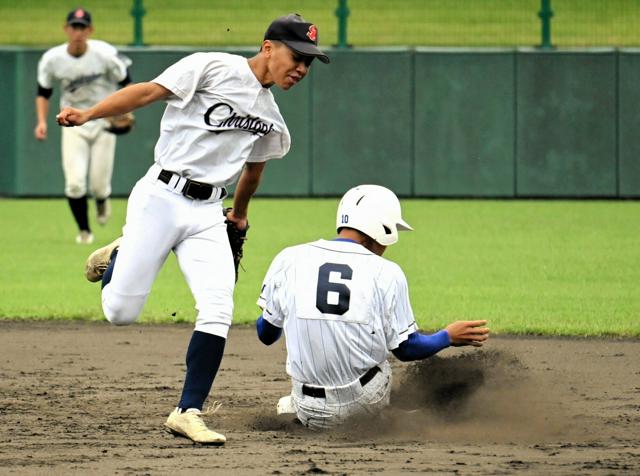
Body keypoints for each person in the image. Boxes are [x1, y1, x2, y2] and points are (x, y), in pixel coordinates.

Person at [56, 13, 329, 444]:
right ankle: (121, 253)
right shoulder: (211, 67)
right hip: (160, 198)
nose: (301, 68)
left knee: (219, 307)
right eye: (297, 56)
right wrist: (90, 114)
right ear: (268, 47)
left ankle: (188, 411)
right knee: (120, 313)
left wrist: (238, 214)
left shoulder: (273, 120)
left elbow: (252, 173)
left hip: (208, 212)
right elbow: (147, 92)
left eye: (309, 63)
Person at [256, 184, 490, 430]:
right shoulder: (387, 272)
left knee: (301, 379)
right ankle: (390, 417)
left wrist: (284, 311)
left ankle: (305, 406)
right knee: (382, 356)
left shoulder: (289, 258)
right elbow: (406, 349)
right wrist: (447, 336)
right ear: (381, 229)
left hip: (308, 410)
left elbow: (266, 335)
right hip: (362, 407)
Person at [35, 7, 132, 244]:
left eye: (82, 27)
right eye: (74, 27)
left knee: (99, 185)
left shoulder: (105, 54)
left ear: (90, 30)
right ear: (66, 29)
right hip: (73, 122)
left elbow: (126, 82)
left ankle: (101, 199)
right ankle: (85, 232)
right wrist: (41, 121)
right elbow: (43, 92)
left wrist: (127, 113)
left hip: (103, 120)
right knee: (75, 182)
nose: (78, 32)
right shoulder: (52, 59)